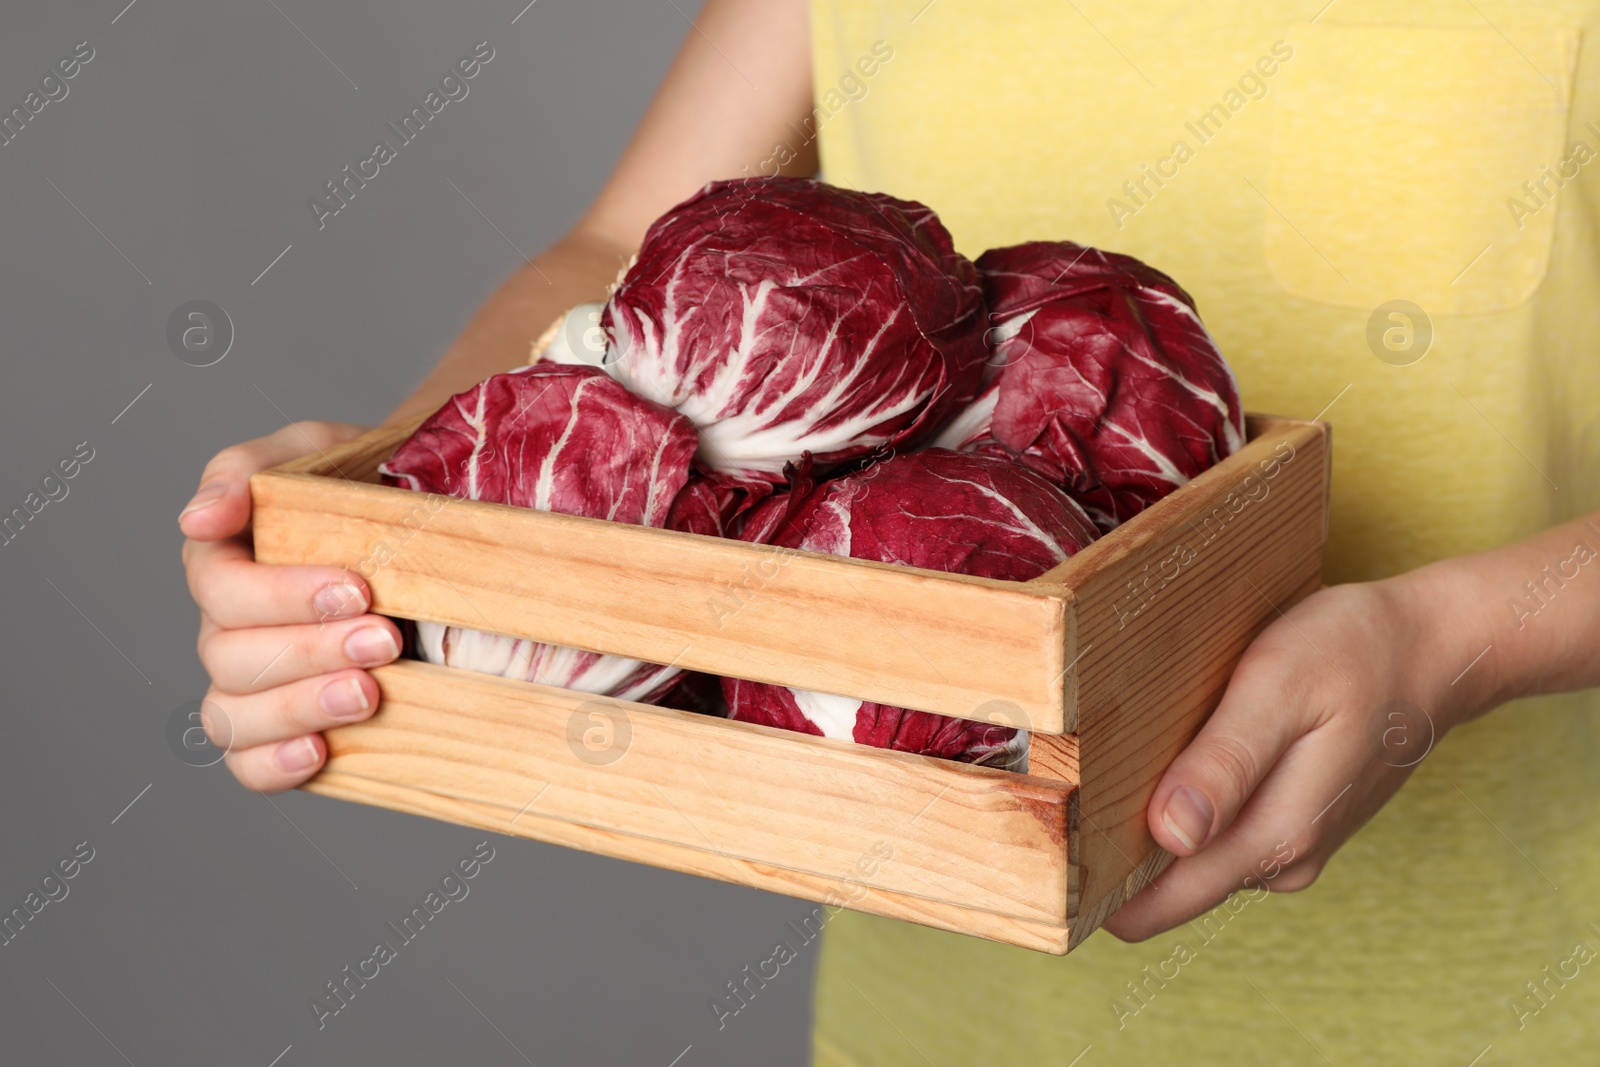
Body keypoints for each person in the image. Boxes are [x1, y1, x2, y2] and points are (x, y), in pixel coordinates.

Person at [180, 0, 1600, 1061]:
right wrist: (403, 507)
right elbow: (617, 257)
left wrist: (1451, 641)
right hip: (935, 1020)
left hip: (1512, 1001)